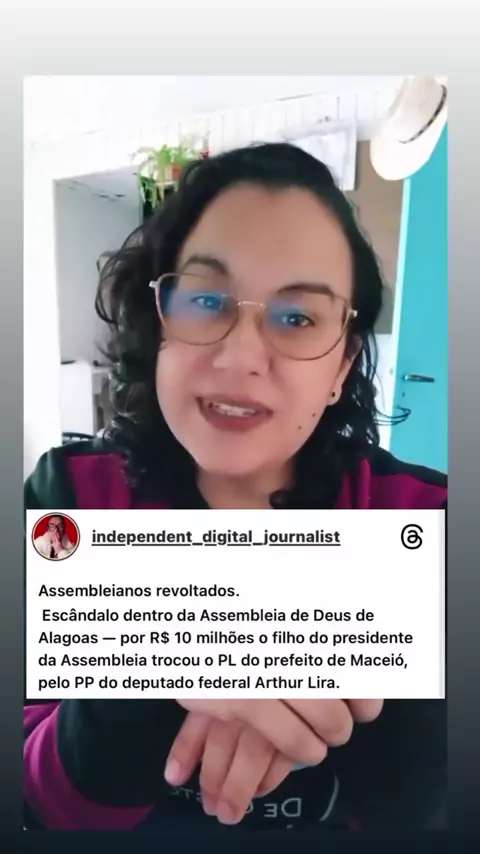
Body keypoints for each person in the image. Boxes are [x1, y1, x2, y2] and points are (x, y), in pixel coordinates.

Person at [24, 143, 447, 834]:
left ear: (342, 366)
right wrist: (162, 663)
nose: (241, 356)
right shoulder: (67, 504)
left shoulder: (429, 520)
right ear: (158, 321)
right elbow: (31, 798)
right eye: (205, 300)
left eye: (297, 317)